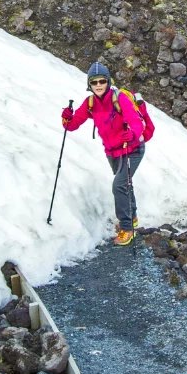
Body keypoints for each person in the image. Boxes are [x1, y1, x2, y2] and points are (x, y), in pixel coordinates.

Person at [61, 62, 145, 245]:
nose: (98, 85)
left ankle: (127, 228)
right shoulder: (90, 103)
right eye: (94, 82)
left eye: (102, 81)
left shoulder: (120, 98)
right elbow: (72, 125)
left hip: (132, 149)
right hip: (113, 151)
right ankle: (133, 216)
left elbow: (138, 124)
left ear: (108, 81)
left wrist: (131, 134)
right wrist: (66, 117)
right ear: (89, 84)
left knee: (119, 185)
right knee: (125, 184)